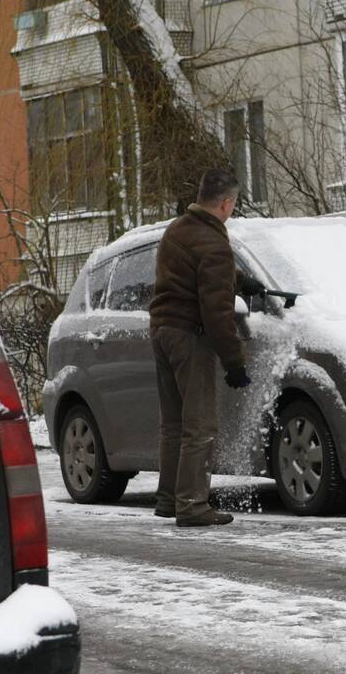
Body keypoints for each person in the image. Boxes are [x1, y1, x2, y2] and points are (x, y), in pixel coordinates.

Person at [148, 169, 266, 527]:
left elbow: (195, 271)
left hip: (163, 330)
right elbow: (217, 313)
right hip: (190, 336)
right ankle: (193, 505)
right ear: (227, 203)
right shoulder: (214, 242)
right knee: (200, 426)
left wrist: (241, 281)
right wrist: (235, 364)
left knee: (174, 422)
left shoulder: (179, 229)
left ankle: (169, 498)